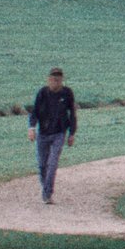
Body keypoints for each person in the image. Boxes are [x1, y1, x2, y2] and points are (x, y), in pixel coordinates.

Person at [26, 67, 79, 204]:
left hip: (59, 133)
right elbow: (35, 112)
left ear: (62, 80)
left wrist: (72, 133)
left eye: (59, 79)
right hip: (43, 133)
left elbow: (72, 114)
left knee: (53, 162)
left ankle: (47, 193)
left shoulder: (67, 93)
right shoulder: (42, 93)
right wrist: (31, 128)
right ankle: (46, 188)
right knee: (42, 165)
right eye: (53, 79)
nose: (56, 82)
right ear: (49, 80)